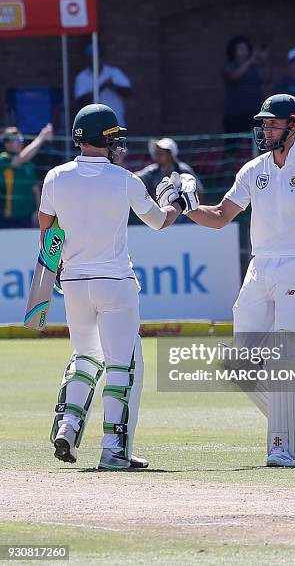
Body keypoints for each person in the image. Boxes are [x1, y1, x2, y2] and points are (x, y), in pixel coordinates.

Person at [158, 94, 295, 467]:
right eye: (264, 124)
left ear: (294, 126)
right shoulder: (251, 169)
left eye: (272, 123)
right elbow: (222, 216)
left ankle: (281, 445)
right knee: (240, 363)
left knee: (287, 359)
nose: (265, 129)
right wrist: (187, 207)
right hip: (260, 267)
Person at [39, 104, 198, 470]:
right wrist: (176, 201)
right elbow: (159, 221)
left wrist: (62, 264)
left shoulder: (54, 177)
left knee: (85, 357)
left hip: (75, 282)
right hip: (115, 281)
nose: (117, 144)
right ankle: (113, 450)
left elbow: (47, 229)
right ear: (103, 140)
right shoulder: (125, 179)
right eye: (113, 138)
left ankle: (68, 424)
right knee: (122, 365)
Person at [0, 124, 53, 228]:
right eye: (13, 140)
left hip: (28, 217)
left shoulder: (29, 165)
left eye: (19, 139)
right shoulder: (2, 160)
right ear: (6, 144)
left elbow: (35, 190)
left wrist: (38, 212)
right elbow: (20, 159)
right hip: (8, 218)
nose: (18, 143)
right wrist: (42, 137)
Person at [74, 43, 132, 126]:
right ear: (86, 59)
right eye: (90, 57)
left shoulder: (113, 72)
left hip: (115, 124)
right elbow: (81, 101)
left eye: (97, 57)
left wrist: (112, 86)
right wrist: (102, 86)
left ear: (101, 58)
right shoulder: (82, 77)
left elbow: (129, 92)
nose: (94, 60)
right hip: (93, 126)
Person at [222, 35, 268, 133]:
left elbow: (266, 79)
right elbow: (235, 76)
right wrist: (250, 60)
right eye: (240, 48)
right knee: (232, 144)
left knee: (256, 145)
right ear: (233, 50)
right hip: (234, 113)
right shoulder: (229, 66)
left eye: (245, 48)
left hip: (254, 112)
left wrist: (262, 61)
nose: (244, 50)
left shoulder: (255, 67)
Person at [135, 137, 204, 200]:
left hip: (182, 211)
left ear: (170, 155)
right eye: (156, 153)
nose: (157, 155)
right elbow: (136, 177)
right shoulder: (152, 171)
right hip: (160, 211)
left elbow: (199, 191)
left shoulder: (183, 170)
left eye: (160, 153)